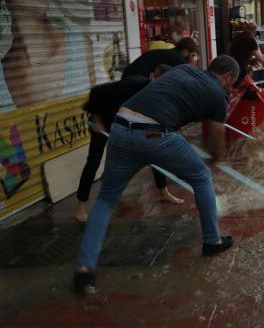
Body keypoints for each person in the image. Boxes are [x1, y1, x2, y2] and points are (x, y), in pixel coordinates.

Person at [73, 55, 241, 295]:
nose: (230, 87)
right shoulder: (218, 95)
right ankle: (212, 241)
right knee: (202, 177)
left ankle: (84, 268)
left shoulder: (184, 69)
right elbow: (215, 144)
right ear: (226, 77)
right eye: (231, 83)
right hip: (154, 135)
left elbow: (164, 98)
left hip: (120, 128)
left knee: (106, 199)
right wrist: (218, 158)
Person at [74, 65, 183, 223]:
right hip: (103, 121)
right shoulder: (134, 84)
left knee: (155, 152)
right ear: (152, 75)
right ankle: (80, 207)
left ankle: (163, 191)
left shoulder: (162, 93)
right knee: (94, 161)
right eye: (158, 81)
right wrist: (96, 119)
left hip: (124, 124)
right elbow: (96, 92)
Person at [122, 37, 198, 80]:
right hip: (136, 77)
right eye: (193, 55)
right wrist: (190, 61)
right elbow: (188, 77)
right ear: (185, 51)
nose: (194, 58)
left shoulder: (172, 53)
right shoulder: (178, 59)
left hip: (132, 72)